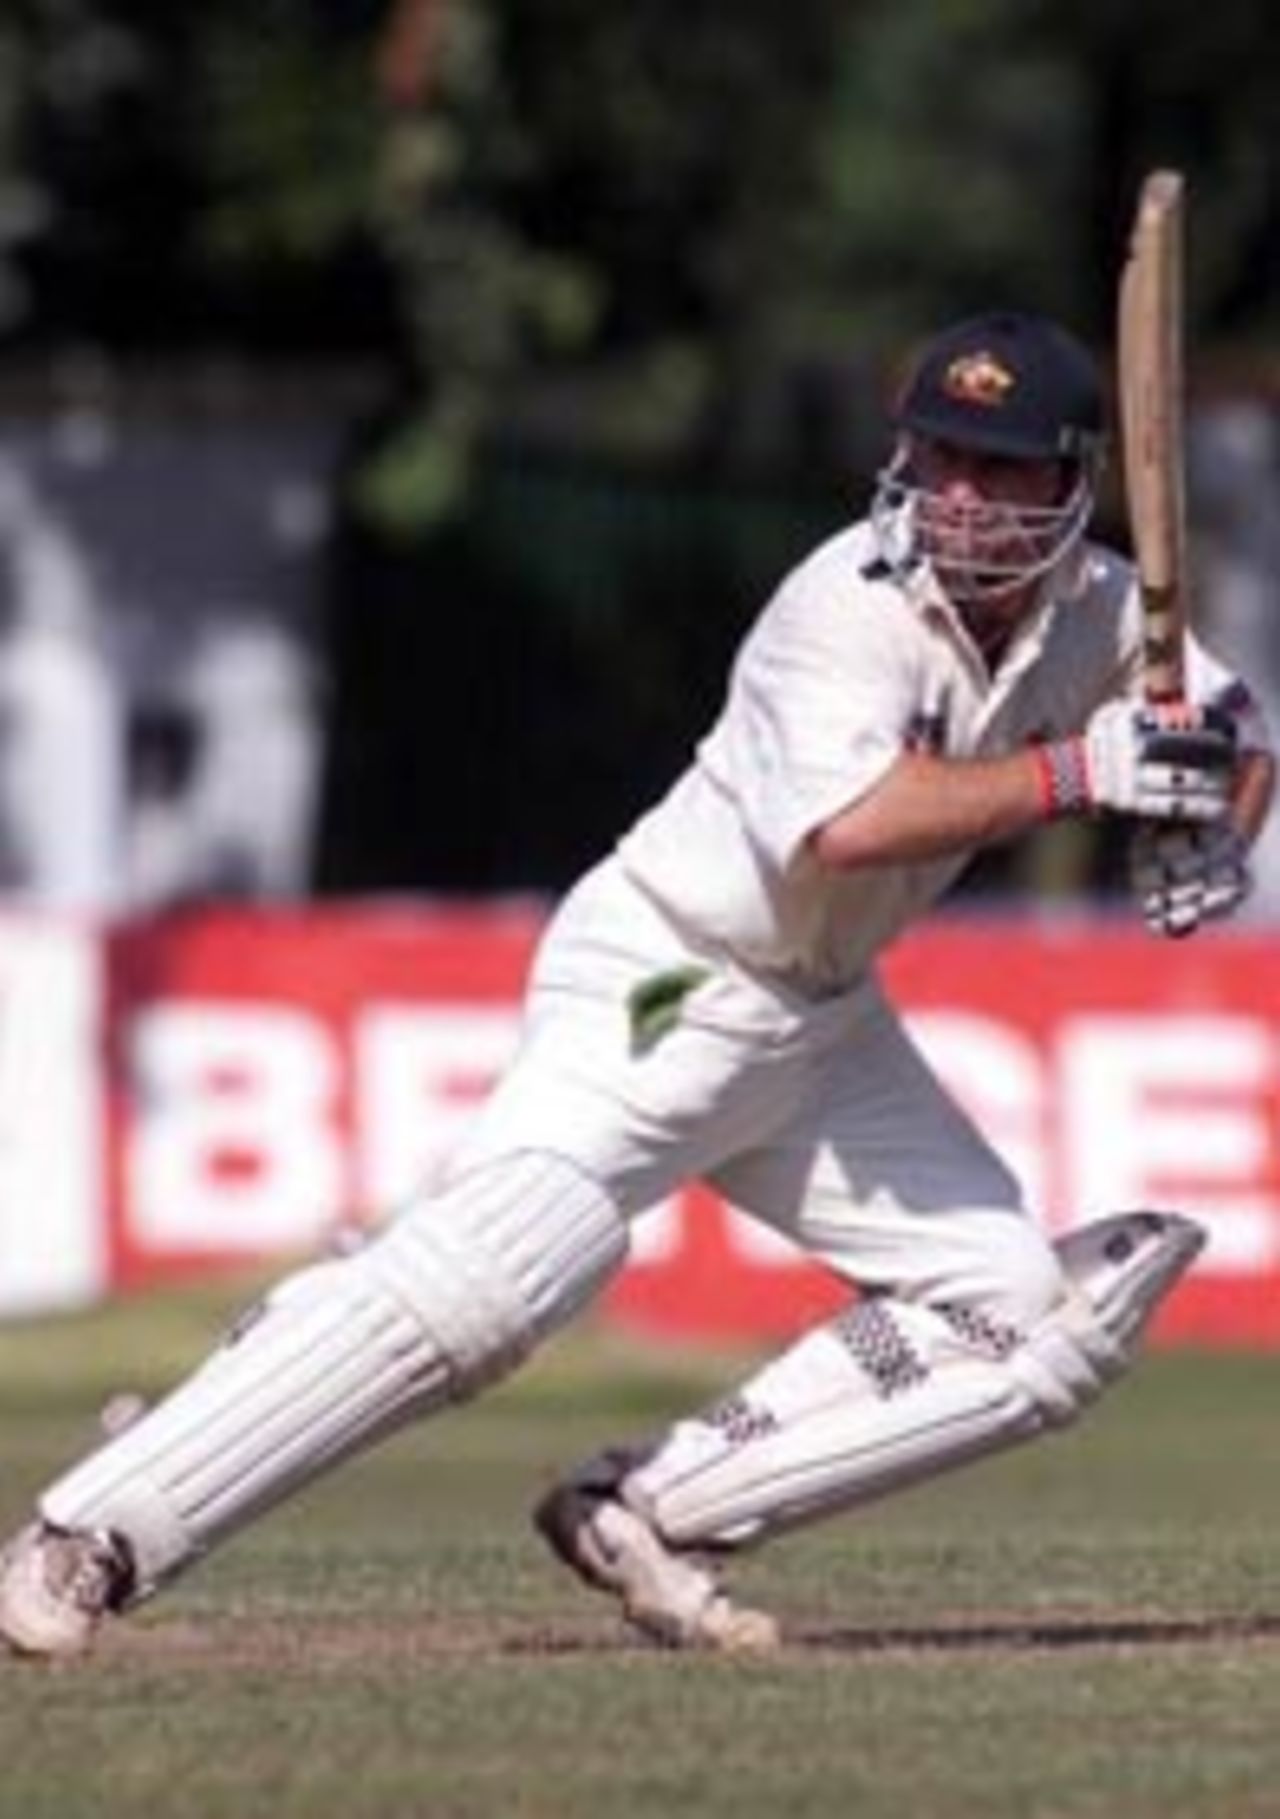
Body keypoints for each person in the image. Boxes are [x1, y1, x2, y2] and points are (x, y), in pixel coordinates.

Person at [1, 311, 1273, 1659]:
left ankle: (652, 1505)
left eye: (998, 467)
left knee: (1019, 1310)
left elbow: (1233, 731)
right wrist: (1087, 777)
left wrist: (1211, 826)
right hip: (671, 975)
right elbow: (851, 823)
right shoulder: (838, 606)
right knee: (501, 1275)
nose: (957, 494)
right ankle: (91, 1535)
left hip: (823, 1024)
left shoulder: (1102, 615)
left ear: (1069, 483)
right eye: (939, 455)